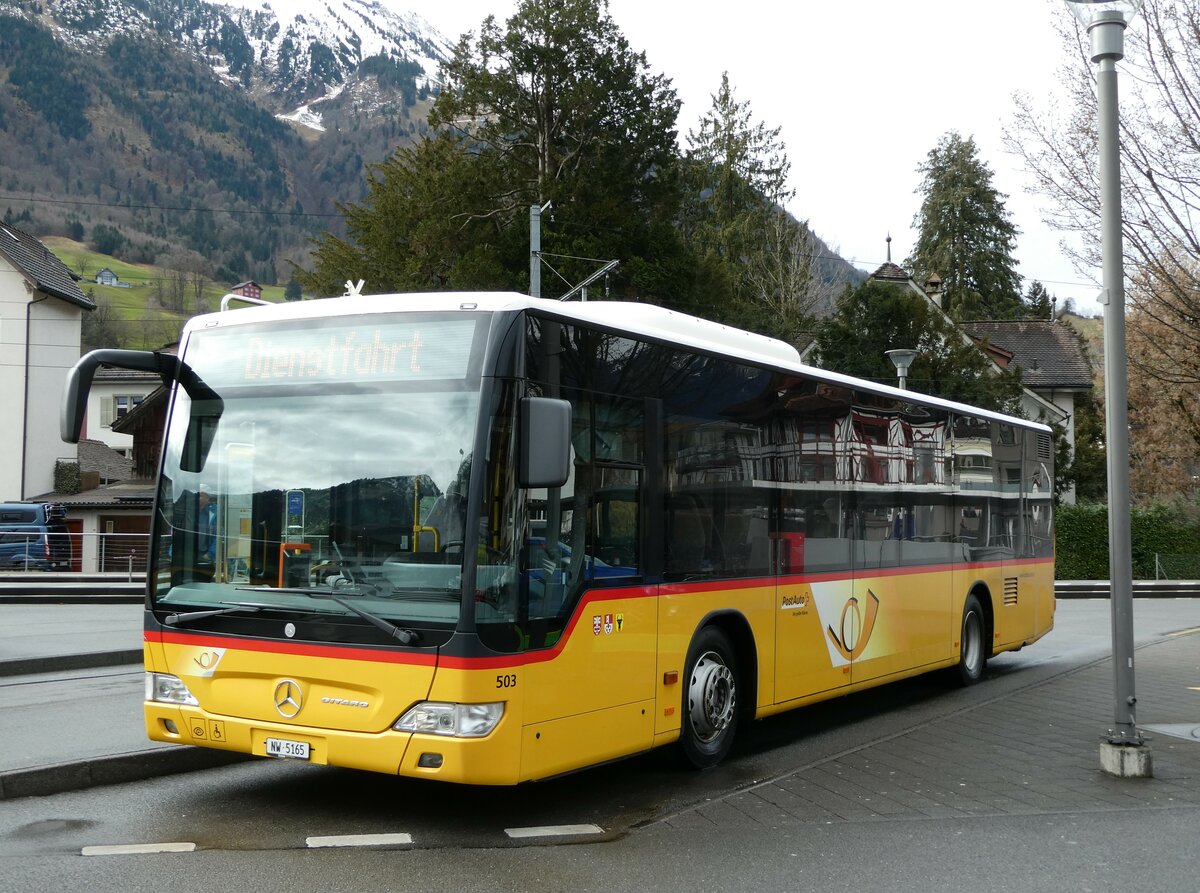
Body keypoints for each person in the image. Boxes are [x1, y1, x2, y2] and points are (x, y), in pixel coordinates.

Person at [197, 490, 217, 564]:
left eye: (200, 496)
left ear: (207, 498)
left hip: (205, 554)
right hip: (188, 553)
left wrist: (210, 554)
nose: (197, 498)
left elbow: (218, 536)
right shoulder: (188, 509)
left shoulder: (215, 513)